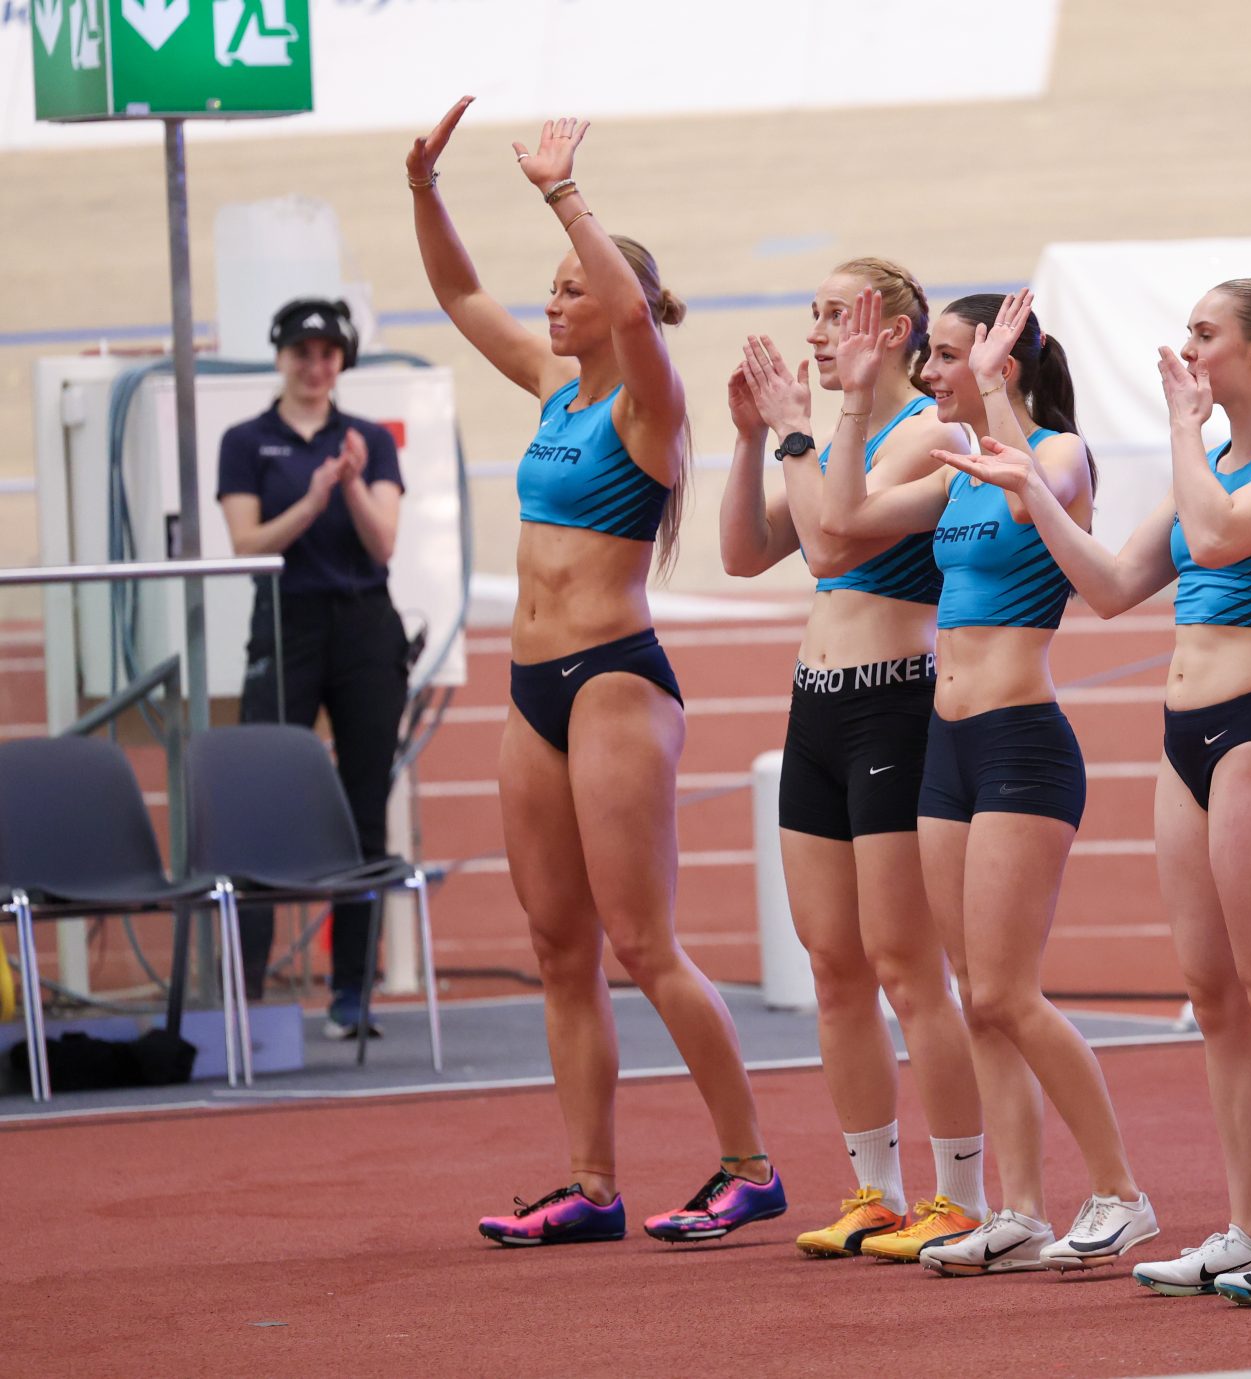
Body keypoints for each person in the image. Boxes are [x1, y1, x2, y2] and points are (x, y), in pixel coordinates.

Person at [936, 279, 1251, 1306]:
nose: (1187, 351)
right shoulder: (1205, 465)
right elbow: (1109, 586)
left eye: (1205, 335)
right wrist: (1032, 489)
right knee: (1215, 1000)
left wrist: (1180, 429)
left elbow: (1215, 540)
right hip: (1187, 745)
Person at [406, 97, 783, 1247]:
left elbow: (624, 306)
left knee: (642, 942)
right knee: (558, 947)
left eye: (571, 288)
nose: (553, 303)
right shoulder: (551, 386)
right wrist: (423, 188)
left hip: (615, 679)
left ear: (623, 306)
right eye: (553, 288)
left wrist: (564, 195)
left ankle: (750, 1164)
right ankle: (592, 1183)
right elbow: (461, 296)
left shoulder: (649, 406)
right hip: (533, 690)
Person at [817, 286, 1157, 1276]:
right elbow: (843, 520)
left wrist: (1000, 390)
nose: (928, 373)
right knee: (976, 996)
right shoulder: (955, 468)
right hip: (946, 748)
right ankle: (1019, 1208)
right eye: (926, 357)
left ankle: (1121, 1191)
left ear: (998, 362)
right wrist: (852, 401)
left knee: (1009, 990)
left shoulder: (1057, 454)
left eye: (946, 356)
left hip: (1021, 744)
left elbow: (1029, 498)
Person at [724, 261, 988, 1262]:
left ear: (896, 331)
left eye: (838, 314)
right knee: (833, 966)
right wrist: (751, 438)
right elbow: (745, 552)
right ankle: (875, 1189)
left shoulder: (923, 431)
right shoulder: (828, 439)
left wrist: (800, 428)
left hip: (893, 708)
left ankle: (959, 1193)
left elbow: (834, 545)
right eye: (815, 314)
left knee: (906, 967)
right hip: (817, 709)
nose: (818, 332)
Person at [217, 296, 409, 1039]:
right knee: (262, 803)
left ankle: (352, 992)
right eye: (302, 351)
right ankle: (249, 992)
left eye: (327, 353)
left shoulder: (368, 441)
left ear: (342, 362)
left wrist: (351, 483)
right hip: (285, 623)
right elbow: (247, 545)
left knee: (364, 808)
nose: (315, 365)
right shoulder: (245, 441)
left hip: (364, 628)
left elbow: (384, 543)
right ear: (281, 356)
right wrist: (315, 495)